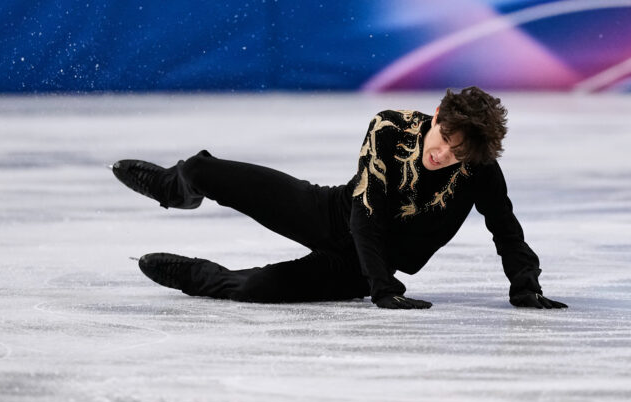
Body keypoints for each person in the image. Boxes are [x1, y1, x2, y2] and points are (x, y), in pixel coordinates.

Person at [112, 87, 567, 310]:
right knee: (201, 170)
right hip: (331, 214)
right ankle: (174, 189)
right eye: (444, 138)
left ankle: (196, 275)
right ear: (436, 116)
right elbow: (366, 211)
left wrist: (525, 285)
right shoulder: (390, 128)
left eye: (457, 153)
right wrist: (383, 288)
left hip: (362, 267)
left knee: (253, 289)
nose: (443, 154)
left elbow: (505, 228)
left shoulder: (479, 169)